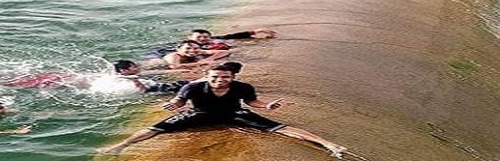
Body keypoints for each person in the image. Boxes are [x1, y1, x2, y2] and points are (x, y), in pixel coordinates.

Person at [96, 64, 346, 157]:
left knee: (282, 129)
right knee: (155, 129)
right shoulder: (194, 88)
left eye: (224, 77)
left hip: (234, 114)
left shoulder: (242, 86)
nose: (219, 80)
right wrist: (173, 105)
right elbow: (180, 102)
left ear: (232, 76)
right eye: (215, 77)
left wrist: (267, 106)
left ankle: (330, 145)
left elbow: (252, 103)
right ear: (207, 76)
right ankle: (120, 146)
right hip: (198, 114)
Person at [0, 59, 93, 89]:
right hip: (52, 81)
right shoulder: (103, 83)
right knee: (3, 83)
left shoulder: (98, 77)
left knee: (10, 79)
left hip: (57, 76)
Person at [113, 60, 189, 93]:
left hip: (154, 88)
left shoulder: (118, 79)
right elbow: (143, 90)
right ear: (124, 70)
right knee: (186, 84)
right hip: (155, 89)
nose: (137, 68)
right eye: (134, 67)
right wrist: (135, 80)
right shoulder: (130, 78)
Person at [161, 40, 230, 70]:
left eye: (196, 48)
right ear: (178, 49)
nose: (192, 50)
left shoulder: (198, 51)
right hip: (159, 63)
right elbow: (174, 66)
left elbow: (225, 52)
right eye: (188, 48)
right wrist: (199, 63)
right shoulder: (174, 56)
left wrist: (209, 59)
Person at [187, 28, 277, 50]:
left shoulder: (215, 39)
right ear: (190, 38)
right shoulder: (185, 46)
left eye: (205, 37)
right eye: (198, 37)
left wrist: (256, 31)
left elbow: (233, 36)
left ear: (210, 37)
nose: (202, 39)